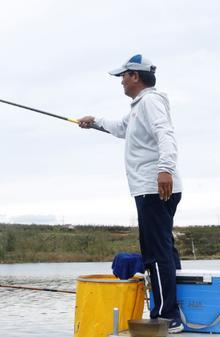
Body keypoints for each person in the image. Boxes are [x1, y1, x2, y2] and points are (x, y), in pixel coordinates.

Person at [78, 54, 184, 333]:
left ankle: (166, 316)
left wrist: (165, 170)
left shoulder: (150, 101)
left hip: (154, 186)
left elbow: (166, 134)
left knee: (156, 252)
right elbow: (121, 128)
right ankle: (174, 307)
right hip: (151, 187)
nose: (121, 82)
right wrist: (95, 122)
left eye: (123, 76)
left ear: (135, 76)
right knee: (165, 249)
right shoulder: (139, 107)